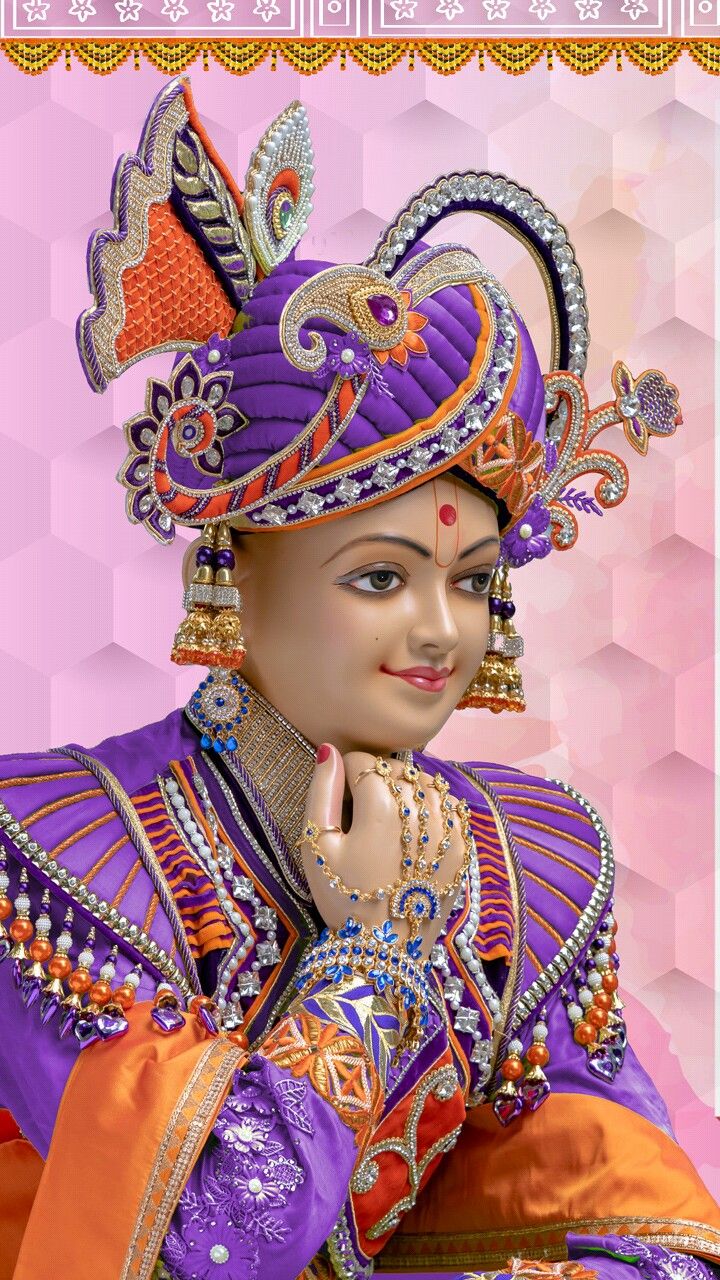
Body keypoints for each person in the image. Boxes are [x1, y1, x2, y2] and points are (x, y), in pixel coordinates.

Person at [0, 77, 716, 1280]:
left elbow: (650, 1223)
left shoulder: (519, 866)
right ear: (237, 572)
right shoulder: (65, 855)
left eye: (474, 579)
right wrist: (375, 951)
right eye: (381, 577)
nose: (445, 629)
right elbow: (197, 1247)